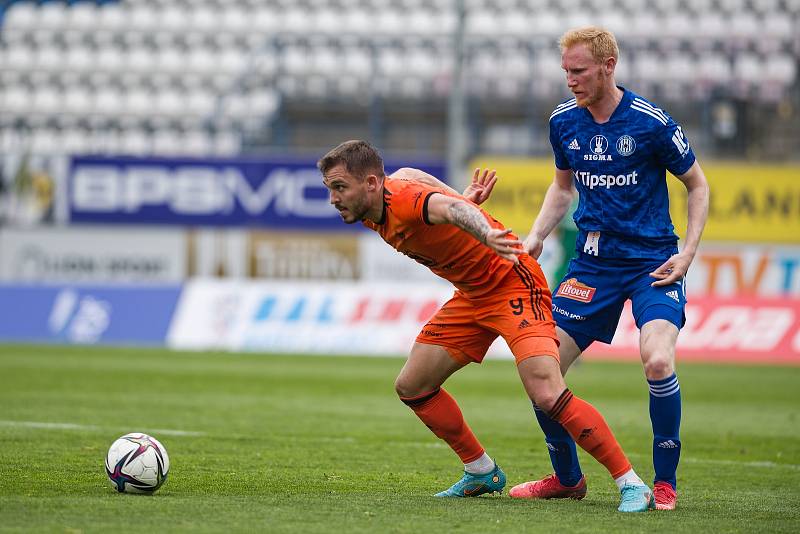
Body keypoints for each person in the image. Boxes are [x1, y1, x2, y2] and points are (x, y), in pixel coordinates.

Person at [318, 139, 655, 512]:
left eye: (339, 187)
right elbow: (416, 179)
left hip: (513, 281)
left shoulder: (404, 202)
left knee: (546, 391)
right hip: (473, 295)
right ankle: (480, 470)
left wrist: (476, 222)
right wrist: (463, 199)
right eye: (330, 188)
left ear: (370, 183)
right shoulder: (375, 201)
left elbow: (438, 205)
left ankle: (631, 484)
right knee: (413, 386)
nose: (333, 198)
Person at [514, 27, 710, 511]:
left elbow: (698, 186)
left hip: (652, 262)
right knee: (541, 369)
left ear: (608, 65)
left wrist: (686, 253)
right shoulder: (563, 121)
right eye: (565, 71)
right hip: (592, 265)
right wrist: (537, 233)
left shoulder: (650, 122)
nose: (570, 80)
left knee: (658, 360)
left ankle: (665, 483)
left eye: (578, 71)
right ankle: (567, 479)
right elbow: (563, 187)